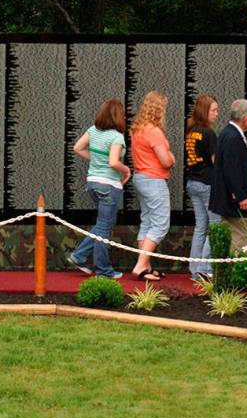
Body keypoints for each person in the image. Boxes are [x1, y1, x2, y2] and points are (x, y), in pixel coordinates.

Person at [67, 99, 131, 279]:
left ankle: (79, 256)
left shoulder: (92, 131)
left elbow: (77, 148)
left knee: (103, 224)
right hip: (109, 185)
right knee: (104, 228)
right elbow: (113, 162)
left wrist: (95, 160)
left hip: (93, 183)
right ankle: (104, 270)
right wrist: (127, 170)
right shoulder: (117, 137)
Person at [129, 91, 175, 281]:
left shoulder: (137, 129)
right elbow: (166, 161)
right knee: (160, 224)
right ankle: (140, 265)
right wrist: (172, 156)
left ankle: (145, 266)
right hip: (154, 180)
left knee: (147, 221)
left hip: (140, 177)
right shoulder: (154, 132)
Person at [210, 99, 247, 252]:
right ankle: (236, 270)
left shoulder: (228, 133)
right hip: (234, 200)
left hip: (228, 198)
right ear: (245, 118)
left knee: (233, 234)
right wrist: (240, 195)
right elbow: (232, 169)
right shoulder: (233, 137)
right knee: (244, 234)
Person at [185, 94, 220, 280]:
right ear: (204, 111)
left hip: (193, 182)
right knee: (215, 225)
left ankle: (194, 268)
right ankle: (205, 267)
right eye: (213, 110)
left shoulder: (191, 131)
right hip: (207, 183)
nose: (216, 114)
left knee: (200, 226)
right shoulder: (208, 133)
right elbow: (216, 162)